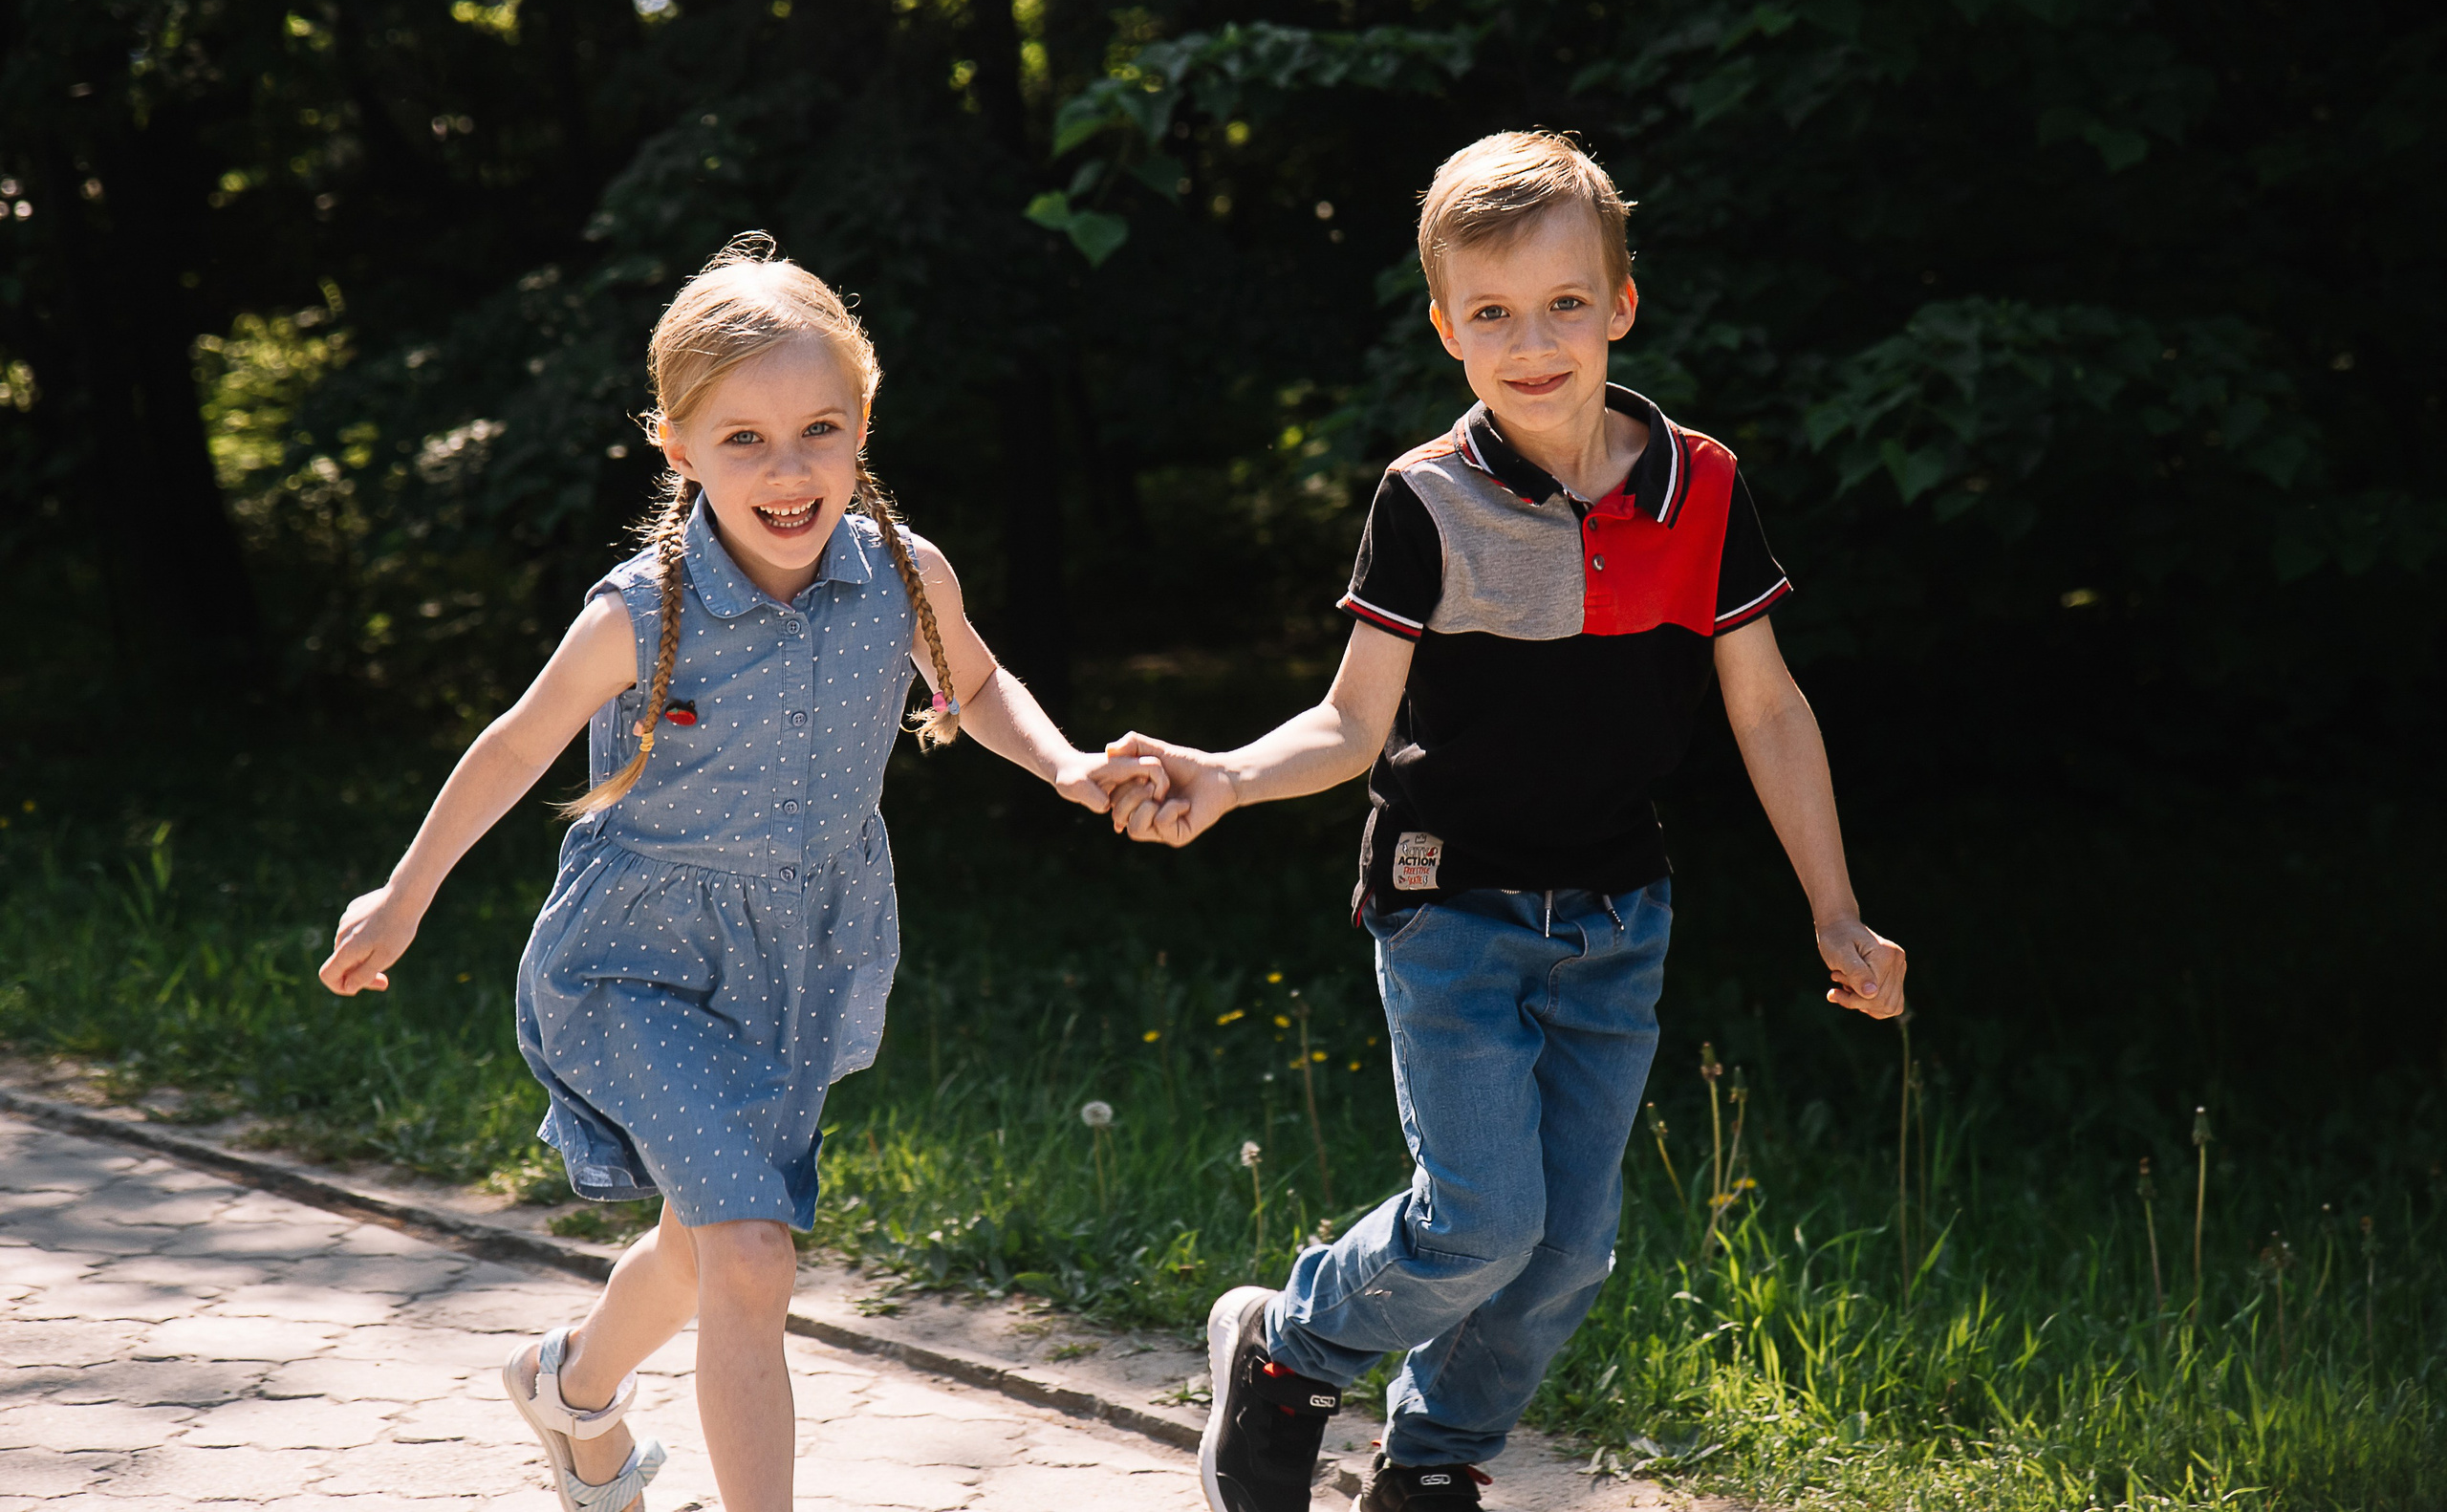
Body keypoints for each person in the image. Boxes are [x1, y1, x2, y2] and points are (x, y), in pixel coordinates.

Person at [1101, 132, 1910, 1512]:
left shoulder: (1701, 485)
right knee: (1480, 1221)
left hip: (1616, 914)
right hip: (1450, 901)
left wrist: (1835, 908)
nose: (1531, 343)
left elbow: (1768, 709)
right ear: (1445, 329)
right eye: (1491, 315)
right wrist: (1229, 774)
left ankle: (1428, 1470)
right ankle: (1290, 1355)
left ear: (1620, 307)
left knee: (1568, 1250)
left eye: (1562, 306)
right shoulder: (1426, 498)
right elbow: (1355, 723)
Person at [314, 234, 1159, 1512]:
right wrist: (405, 896)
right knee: (753, 1253)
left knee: (705, 1248)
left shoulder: (905, 576)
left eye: (819, 430)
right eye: (745, 439)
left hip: (796, 963)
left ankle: (570, 1388)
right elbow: (511, 749)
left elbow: (975, 687)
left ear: (862, 422)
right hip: (631, 963)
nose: (788, 469)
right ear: (677, 445)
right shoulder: (636, 615)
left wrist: (1065, 766)